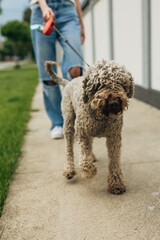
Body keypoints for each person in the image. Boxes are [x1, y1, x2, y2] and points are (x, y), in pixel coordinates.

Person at [30, 0, 85, 138]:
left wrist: (81, 24)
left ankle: (78, 119)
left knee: (76, 70)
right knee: (47, 75)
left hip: (68, 10)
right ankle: (58, 123)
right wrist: (43, 7)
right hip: (40, 11)